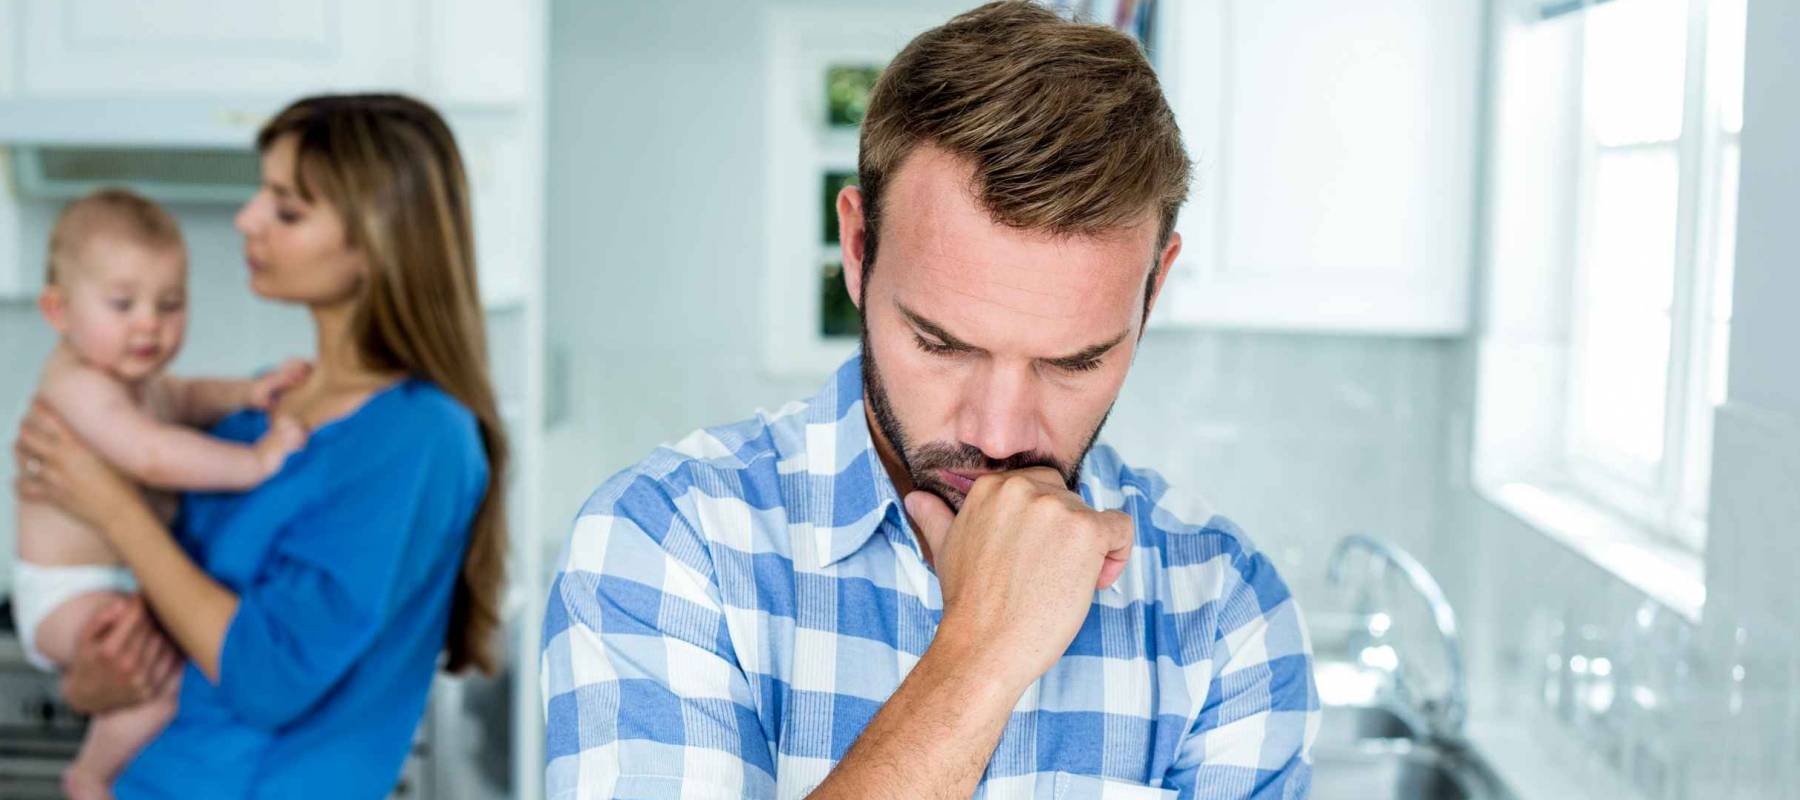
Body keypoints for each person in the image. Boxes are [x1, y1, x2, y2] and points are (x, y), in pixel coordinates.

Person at [540, 3, 1318, 798]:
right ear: (856, 249)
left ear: (1154, 288)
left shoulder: (1226, 612)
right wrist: (982, 654)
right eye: (943, 345)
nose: (1001, 433)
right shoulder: (669, 545)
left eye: (1074, 362)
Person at [13, 94, 508, 798]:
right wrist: (94, 681)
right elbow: (158, 631)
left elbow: (269, 678)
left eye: (286, 208)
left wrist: (109, 502)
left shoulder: (420, 439)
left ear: (373, 240)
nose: (247, 219)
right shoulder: (256, 415)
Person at [14, 187, 310, 798]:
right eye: (122, 304)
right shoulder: (78, 387)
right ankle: (90, 776)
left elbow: (189, 397)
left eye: (170, 303)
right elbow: (151, 454)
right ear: (58, 311)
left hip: (114, 580)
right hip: (65, 592)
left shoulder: (136, 380)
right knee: (160, 683)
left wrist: (247, 394)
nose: (149, 322)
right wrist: (253, 461)